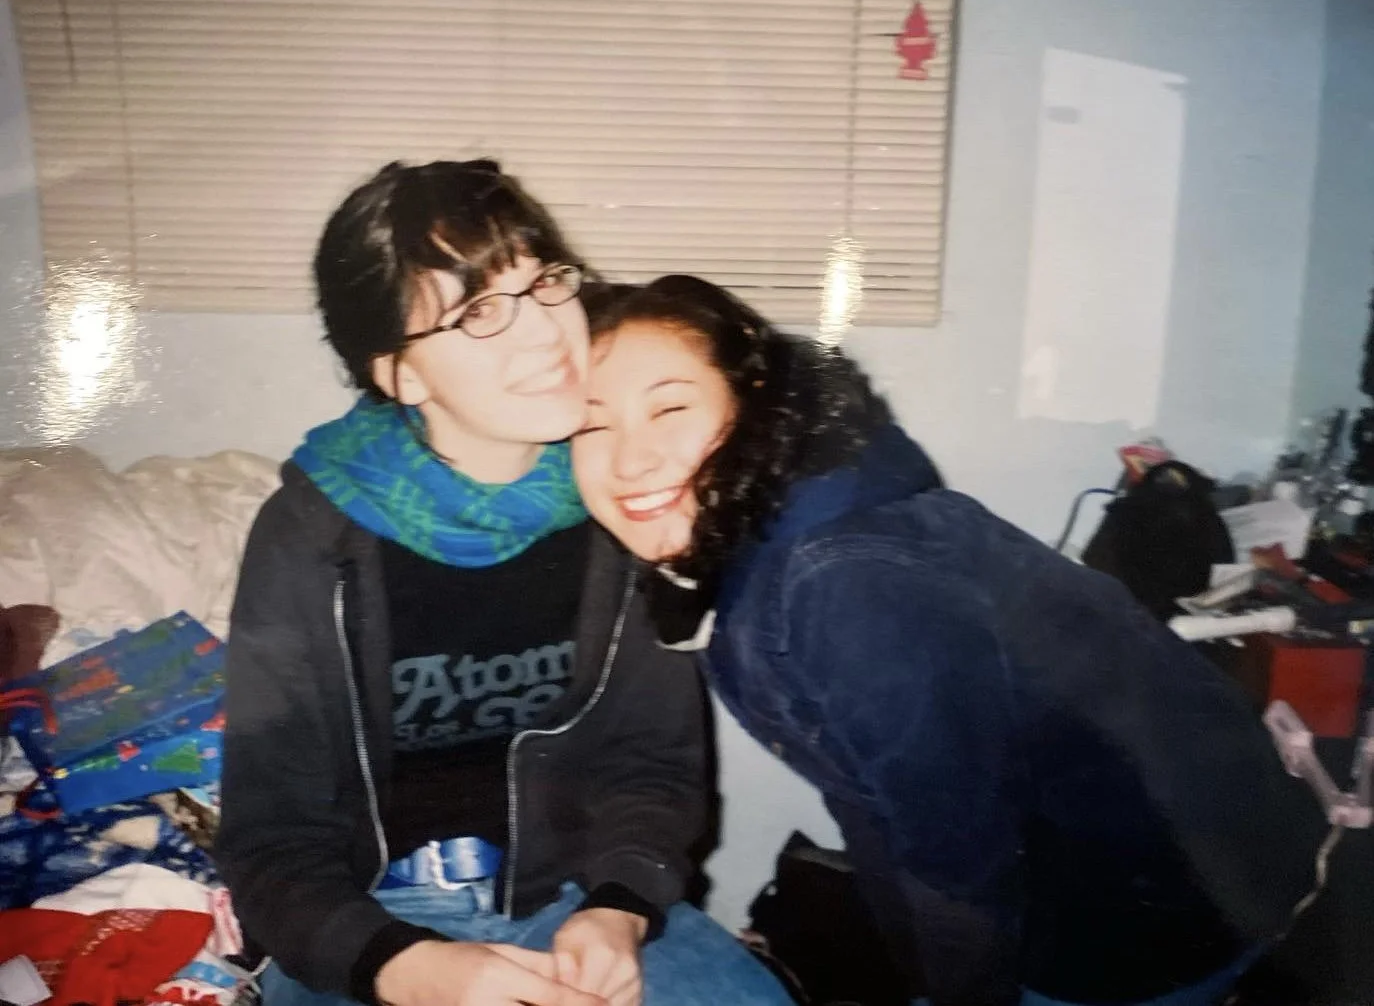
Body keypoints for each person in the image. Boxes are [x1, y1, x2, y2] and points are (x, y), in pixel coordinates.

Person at [569, 274, 1328, 1006]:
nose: (630, 460)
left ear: (753, 402)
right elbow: (877, 805)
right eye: (592, 424)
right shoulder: (771, 529)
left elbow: (956, 855)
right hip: (1122, 877)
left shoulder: (837, 579)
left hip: (1162, 913)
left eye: (670, 409)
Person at [215, 165, 789, 1006]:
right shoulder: (309, 537)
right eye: (479, 312)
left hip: (573, 900)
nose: (546, 334)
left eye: (545, 283)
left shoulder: (618, 501)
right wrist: (404, 966)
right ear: (401, 374)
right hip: (371, 922)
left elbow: (654, 767)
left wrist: (619, 909)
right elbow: (271, 836)